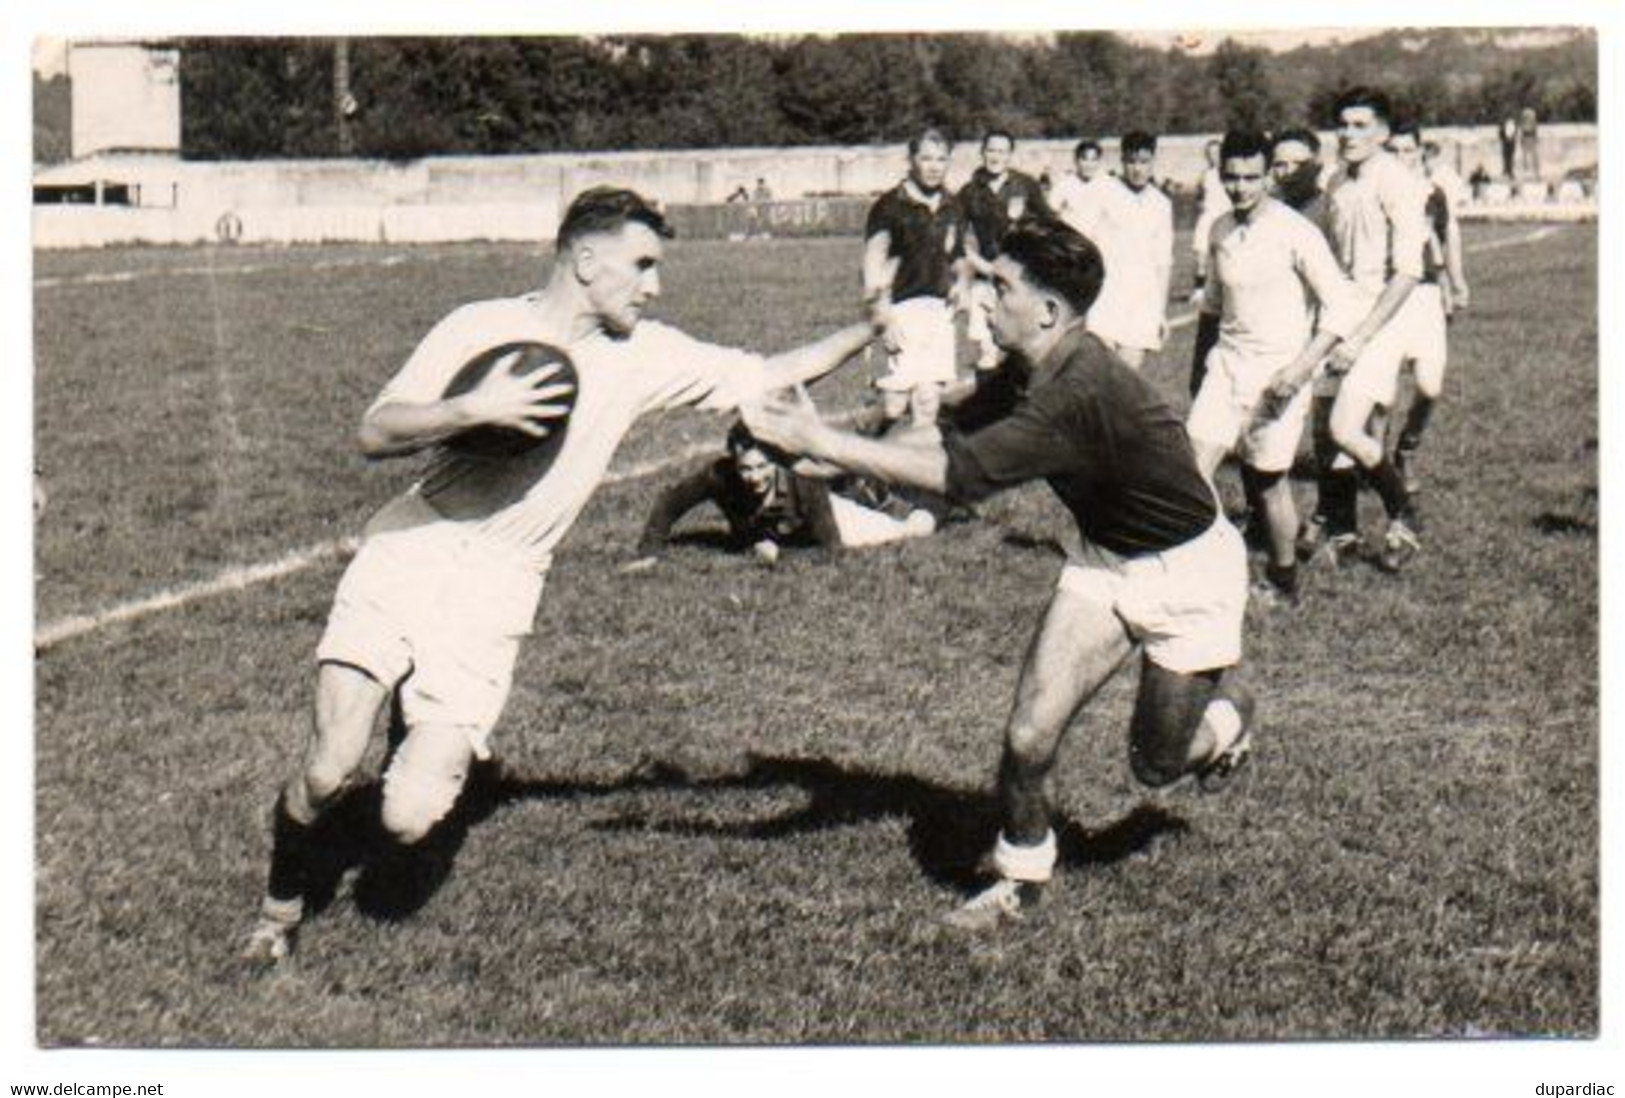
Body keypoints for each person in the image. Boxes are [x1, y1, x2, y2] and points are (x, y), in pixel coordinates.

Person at [240, 186, 883, 968]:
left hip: (498, 584)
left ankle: (425, 735)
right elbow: (376, 429)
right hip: (409, 549)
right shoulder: (478, 326)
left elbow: (768, 372)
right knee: (328, 766)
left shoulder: (645, 354)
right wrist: (471, 408)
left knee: (408, 818)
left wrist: (871, 329)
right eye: (641, 266)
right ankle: (277, 912)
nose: (655, 286)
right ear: (585, 260)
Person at [744, 217, 1256, 932]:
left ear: (1047, 311)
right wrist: (831, 456)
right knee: (1026, 737)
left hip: (1190, 576)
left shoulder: (1076, 393)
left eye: (1000, 287)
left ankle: (1225, 725)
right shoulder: (1031, 368)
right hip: (1104, 560)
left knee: (1156, 765)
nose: (983, 300)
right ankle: (1021, 875)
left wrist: (823, 440)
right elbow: (946, 436)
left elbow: (958, 478)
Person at [1187, 130, 1362, 605]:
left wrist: (1300, 368)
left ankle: (1284, 579)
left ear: (1268, 177)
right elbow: (1212, 307)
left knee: (1267, 483)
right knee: (1190, 473)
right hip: (1226, 366)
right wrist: (1199, 369)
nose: (1240, 187)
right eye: (1231, 177)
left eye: (1250, 178)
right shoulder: (1220, 229)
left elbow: (1341, 308)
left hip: (1278, 374)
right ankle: (1198, 576)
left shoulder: (1296, 232)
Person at [1314, 87, 1431, 572]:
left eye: (1361, 125)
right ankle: (1342, 534)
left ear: (1383, 132)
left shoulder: (1399, 183)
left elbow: (1408, 272)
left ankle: (1404, 511)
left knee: (1345, 428)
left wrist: (1361, 336)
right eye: (1343, 123)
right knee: (1325, 432)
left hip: (1381, 322)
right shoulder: (1336, 180)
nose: (1348, 133)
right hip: (1339, 317)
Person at [632, 421, 936, 565]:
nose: (753, 478)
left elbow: (831, 549)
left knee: (909, 531)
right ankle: (870, 487)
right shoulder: (718, 475)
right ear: (733, 461)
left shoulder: (802, 482)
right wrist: (649, 551)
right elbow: (669, 503)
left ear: (777, 460)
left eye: (762, 468)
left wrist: (781, 556)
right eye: (746, 469)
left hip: (833, 523)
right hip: (780, 530)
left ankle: (938, 501)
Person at [863, 128, 968, 432]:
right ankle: (862, 442)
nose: (934, 166)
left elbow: (958, 254)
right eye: (926, 158)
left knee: (927, 400)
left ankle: (915, 472)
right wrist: (883, 318)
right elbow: (872, 265)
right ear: (911, 160)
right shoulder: (889, 206)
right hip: (900, 310)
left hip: (938, 312)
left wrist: (962, 281)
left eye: (941, 159)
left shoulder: (953, 205)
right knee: (894, 406)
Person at [1388, 122, 1470, 495]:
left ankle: (1406, 448)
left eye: (1408, 150)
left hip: (1423, 295)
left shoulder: (1432, 193)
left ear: (1421, 153)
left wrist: (1455, 281)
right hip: (1384, 296)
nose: (1401, 158)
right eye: (1393, 150)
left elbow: (1446, 236)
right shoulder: (1377, 191)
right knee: (1379, 392)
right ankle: (1375, 466)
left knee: (1429, 385)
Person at [959, 129, 1052, 372]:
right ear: (982, 152)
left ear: (1010, 155)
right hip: (986, 279)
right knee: (987, 354)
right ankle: (987, 408)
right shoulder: (970, 192)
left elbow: (1049, 224)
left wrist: (1033, 257)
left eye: (1002, 151)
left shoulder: (1026, 185)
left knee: (1022, 349)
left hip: (1021, 280)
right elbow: (956, 240)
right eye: (991, 150)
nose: (995, 156)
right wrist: (982, 266)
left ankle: (1024, 408)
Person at [1086, 130, 1175, 370]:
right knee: (1099, 374)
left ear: (1153, 161)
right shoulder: (1103, 191)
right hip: (1105, 297)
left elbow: (1163, 263)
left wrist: (1160, 312)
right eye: (1131, 162)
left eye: (1144, 162)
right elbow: (1083, 245)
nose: (1137, 169)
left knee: (1127, 381)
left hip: (1141, 301)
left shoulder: (1161, 204)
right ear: (1122, 161)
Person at [1186, 138, 1231, 396]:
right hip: (1210, 218)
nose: (1213, 157)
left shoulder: (1228, 174)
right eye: (1210, 153)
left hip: (1223, 218)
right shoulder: (1207, 175)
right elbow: (1200, 197)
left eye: (1217, 153)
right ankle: (1201, 287)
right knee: (1202, 253)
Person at [1045, 138, 1112, 243]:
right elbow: (1050, 215)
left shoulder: (1108, 185)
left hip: (1100, 243)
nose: (1089, 164)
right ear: (1076, 160)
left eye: (1094, 159)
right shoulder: (1063, 185)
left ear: (1099, 161)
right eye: (1084, 159)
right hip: (1072, 244)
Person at [1518, 106, 1541, 181]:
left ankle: (1535, 173)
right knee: (1525, 157)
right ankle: (1527, 172)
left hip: (1529, 138)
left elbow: (1534, 129)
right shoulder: (1524, 122)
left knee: (1532, 157)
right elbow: (1523, 130)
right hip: (1527, 138)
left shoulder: (1530, 122)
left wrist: (1535, 138)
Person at [1498, 115, 1519, 180]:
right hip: (1507, 144)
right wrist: (1506, 139)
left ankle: (1509, 171)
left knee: (1509, 158)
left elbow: (1515, 134)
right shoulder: (1503, 127)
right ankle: (1506, 170)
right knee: (1506, 158)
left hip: (1509, 144)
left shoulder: (1511, 126)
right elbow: (1500, 135)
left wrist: (1510, 139)